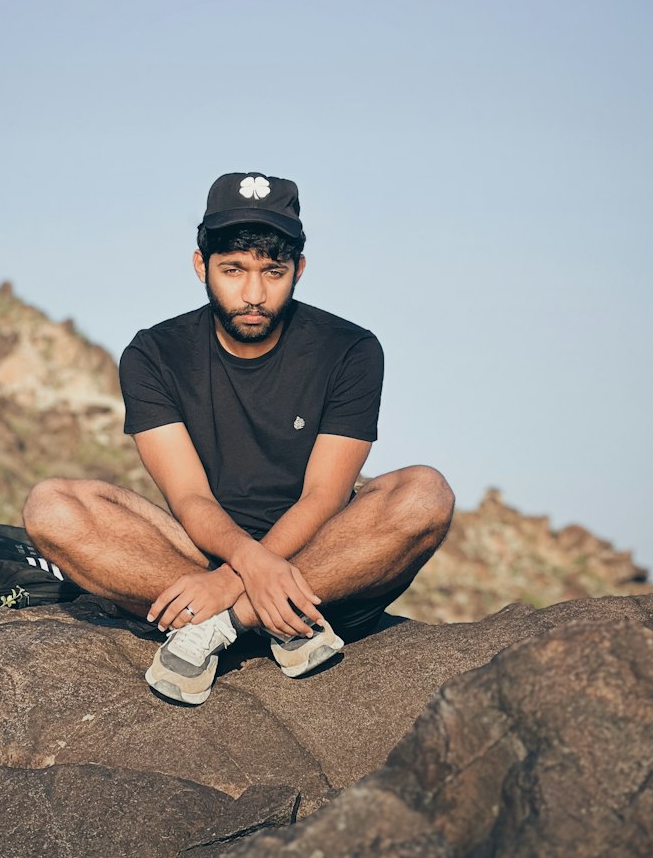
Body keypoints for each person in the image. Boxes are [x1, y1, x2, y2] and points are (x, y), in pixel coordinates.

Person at [23, 171, 453, 705]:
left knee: (426, 493)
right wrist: (242, 567)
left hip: (321, 561)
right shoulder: (154, 354)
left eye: (272, 272)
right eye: (233, 270)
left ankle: (219, 627)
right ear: (201, 265)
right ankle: (272, 622)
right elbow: (190, 498)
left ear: (298, 269)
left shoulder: (350, 349)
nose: (253, 294)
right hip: (199, 554)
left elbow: (324, 496)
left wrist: (227, 591)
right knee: (53, 506)